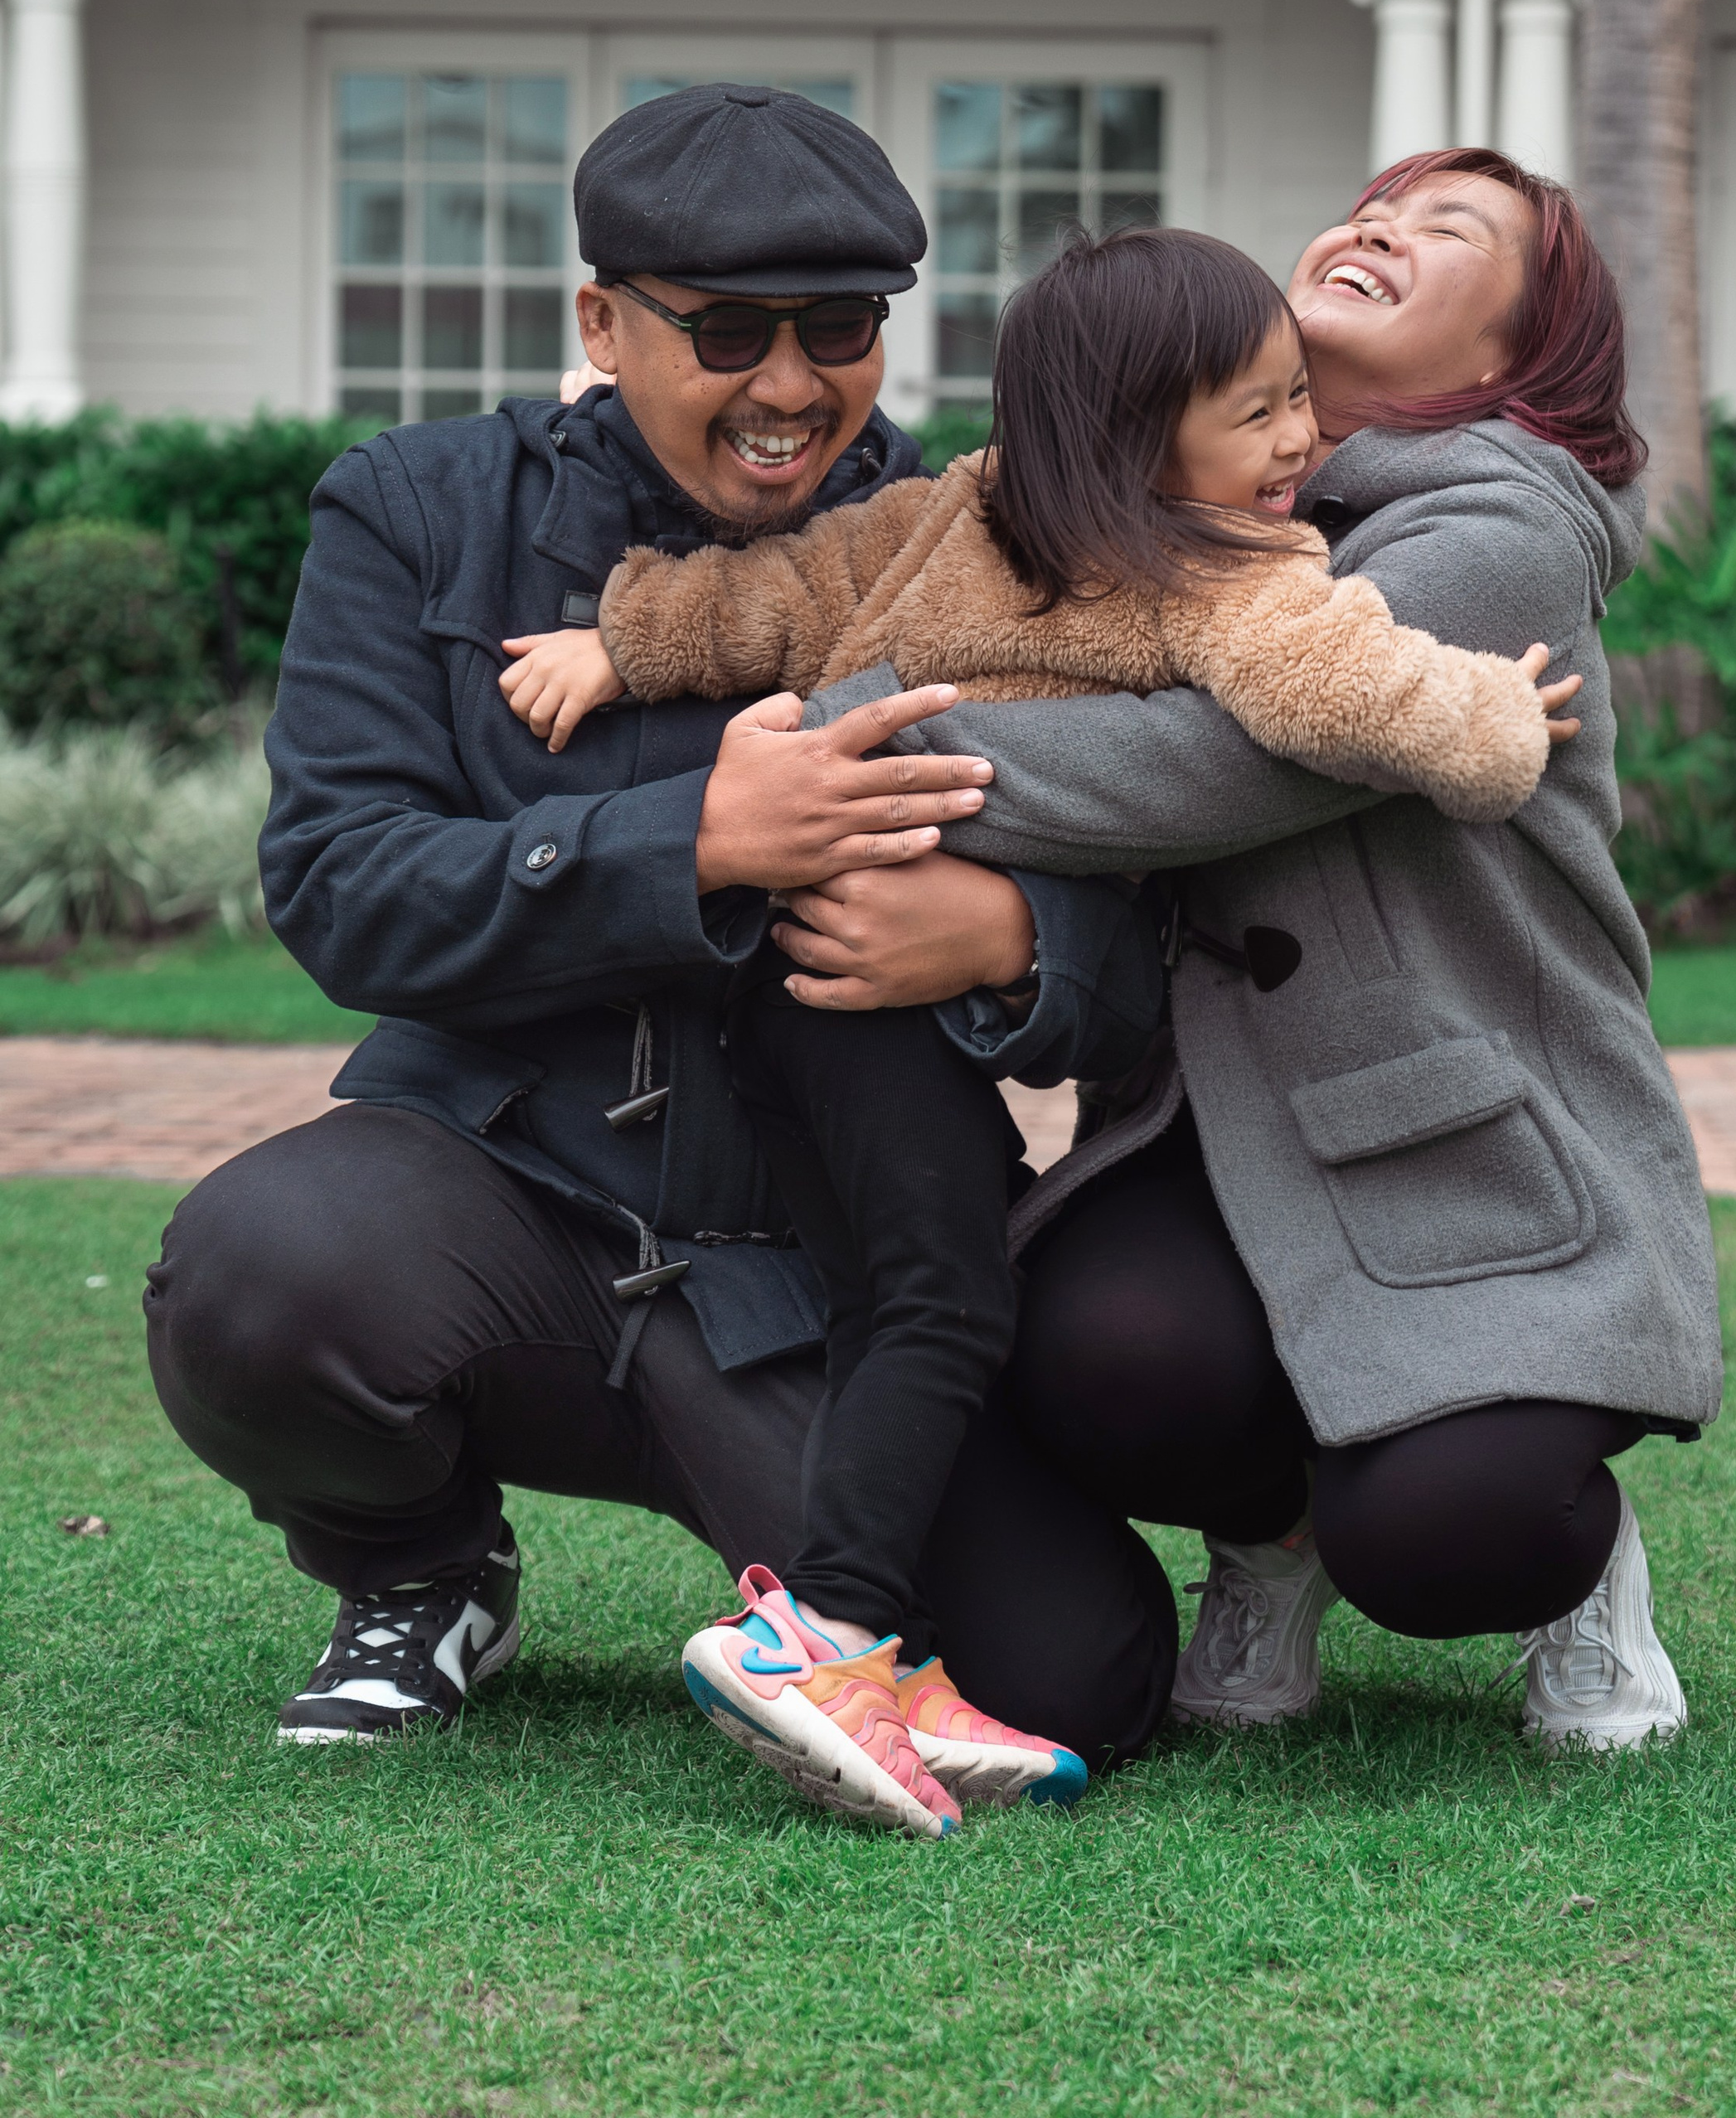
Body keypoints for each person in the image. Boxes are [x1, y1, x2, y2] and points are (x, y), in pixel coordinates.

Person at [142, 86, 1175, 1786]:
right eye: (726, 332)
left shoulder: (977, 544)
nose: (790, 387)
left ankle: (810, 1599)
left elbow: (1136, 981)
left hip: (823, 1280)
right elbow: (340, 884)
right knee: (261, 1274)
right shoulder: (415, 509)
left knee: (1079, 1679)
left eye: (836, 328)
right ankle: (420, 1574)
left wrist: (1004, 937)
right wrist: (687, 843)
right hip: (494, 1202)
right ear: (601, 323)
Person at [498, 226, 1578, 1837]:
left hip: (778, 984)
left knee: (891, 1304)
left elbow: (786, 595)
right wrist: (1504, 722)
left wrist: (622, 635)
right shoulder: (1229, 570)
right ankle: (824, 1636)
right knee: (946, 1306)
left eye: (1298, 403)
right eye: (1261, 410)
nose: (1298, 444)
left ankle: (877, 1649)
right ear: (1144, 436)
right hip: (873, 995)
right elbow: (1349, 700)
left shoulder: (961, 505)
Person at [817, 149, 1724, 1751]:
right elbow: (934, 583)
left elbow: (1210, 767)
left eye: (1453, 231)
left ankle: (1577, 1570)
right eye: (1376, 202)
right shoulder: (1179, 497)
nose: (1381, 225)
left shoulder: (1500, 523)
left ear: (1518, 357)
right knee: (1090, 1364)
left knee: (1450, 1536)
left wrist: (865, 744)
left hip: (1478, 1132)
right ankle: (1276, 1536)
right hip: (1215, 1124)